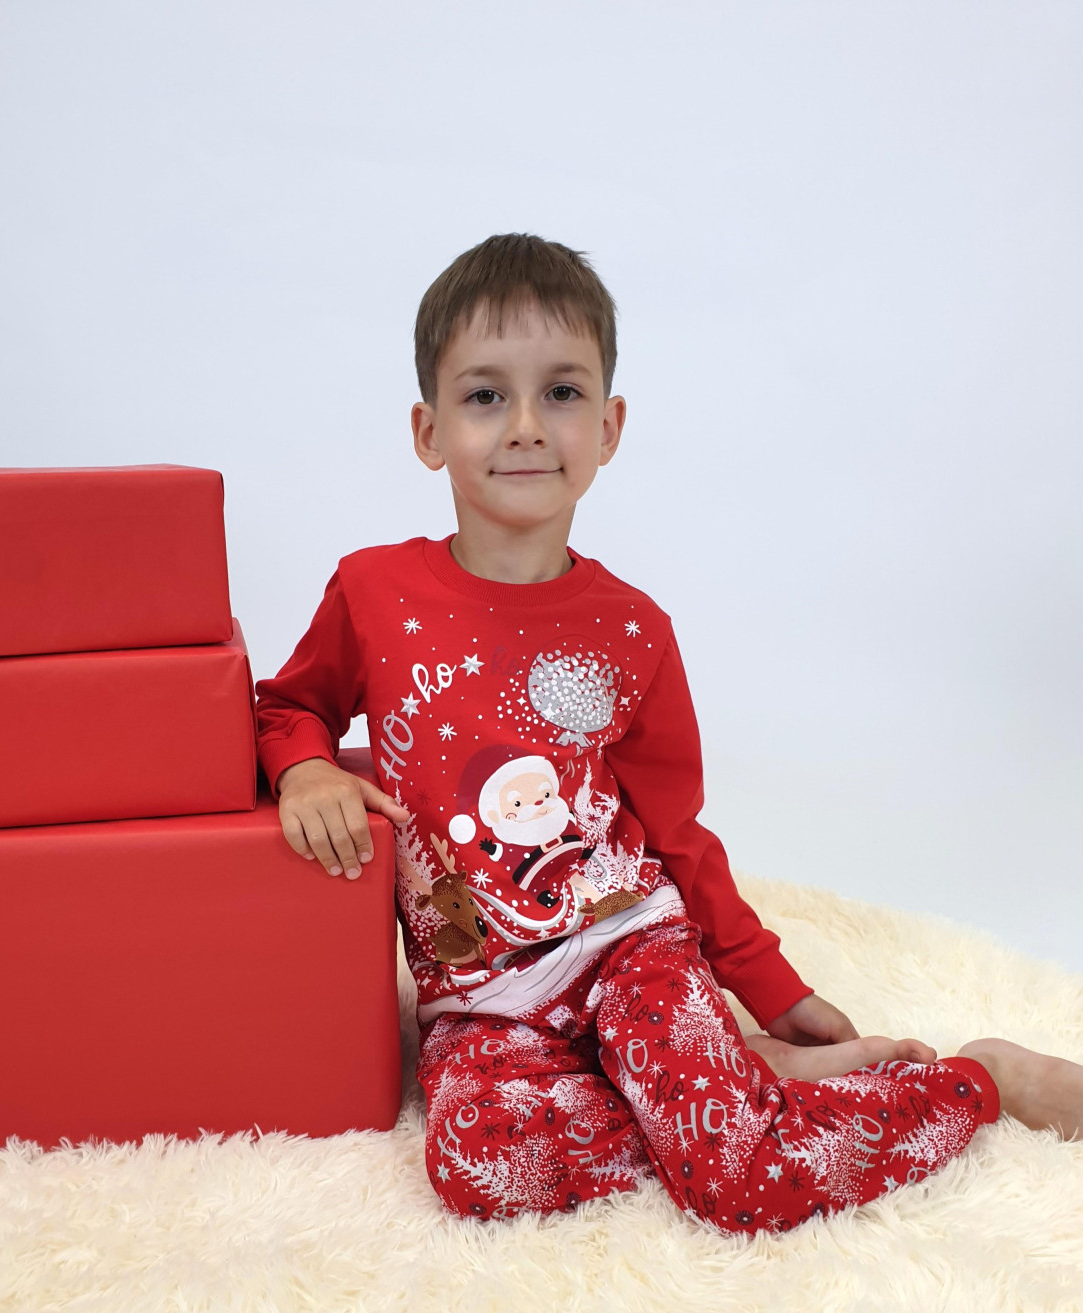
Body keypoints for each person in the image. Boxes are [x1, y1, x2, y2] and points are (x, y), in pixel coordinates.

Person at [254, 232, 1082, 1235]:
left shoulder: (631, 629)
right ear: (429, 432)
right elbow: (287, 705)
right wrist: (305, 773)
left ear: (608, 427)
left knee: (738, 1179)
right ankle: (736, 1085)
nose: (525, 426)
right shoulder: (374, 591)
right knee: (481, 1164)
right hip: (479, 995)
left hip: (628, 945)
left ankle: (979, 1082)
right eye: (485, 396)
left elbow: (674, 828)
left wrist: (768, 986)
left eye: (561, 392)